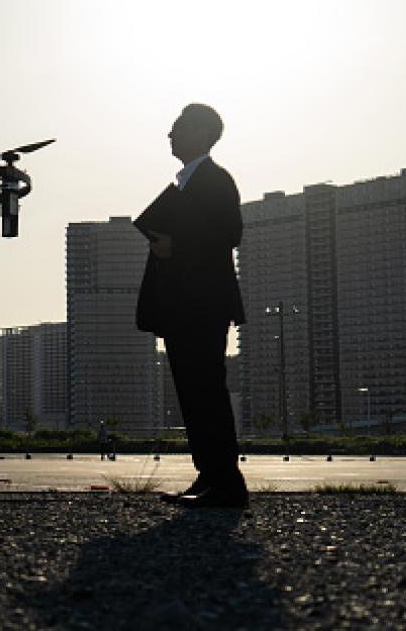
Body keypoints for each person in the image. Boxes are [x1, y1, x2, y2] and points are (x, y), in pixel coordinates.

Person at [136, 103, 247, 508]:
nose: (170, 135)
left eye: (178, 128)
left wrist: (175, 245)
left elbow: (230, 233)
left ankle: (226, 483)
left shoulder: (215, 179)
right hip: (185, 304)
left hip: (203, 303)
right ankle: (209, 475)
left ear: (200, 133)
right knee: (192, 392)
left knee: (206, 391)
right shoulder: (189, 181)